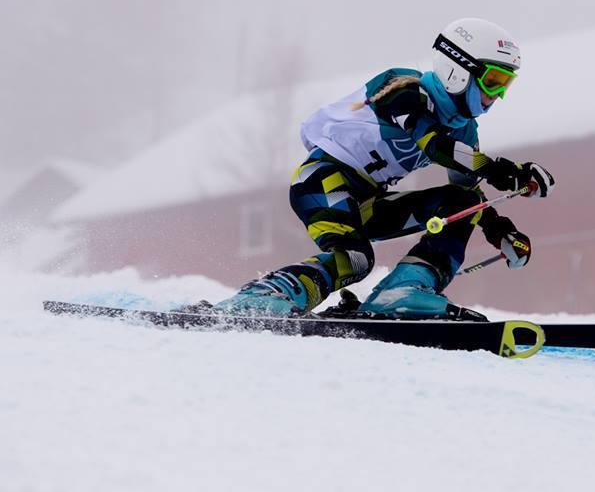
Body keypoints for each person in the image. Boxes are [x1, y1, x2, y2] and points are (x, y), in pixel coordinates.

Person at [213, 17, 555, 319]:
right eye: (492, 80)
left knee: (459, 202)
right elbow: (433, 143)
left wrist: (501, 231)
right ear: (457, 69)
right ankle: (267, 295)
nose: (495, 95)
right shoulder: (402, 88)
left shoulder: (464, 131)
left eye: (505, 84)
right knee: (356, 258)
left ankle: (404, 291)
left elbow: (469, 191)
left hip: (368, 201)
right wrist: (507, 172)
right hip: (322, 181)